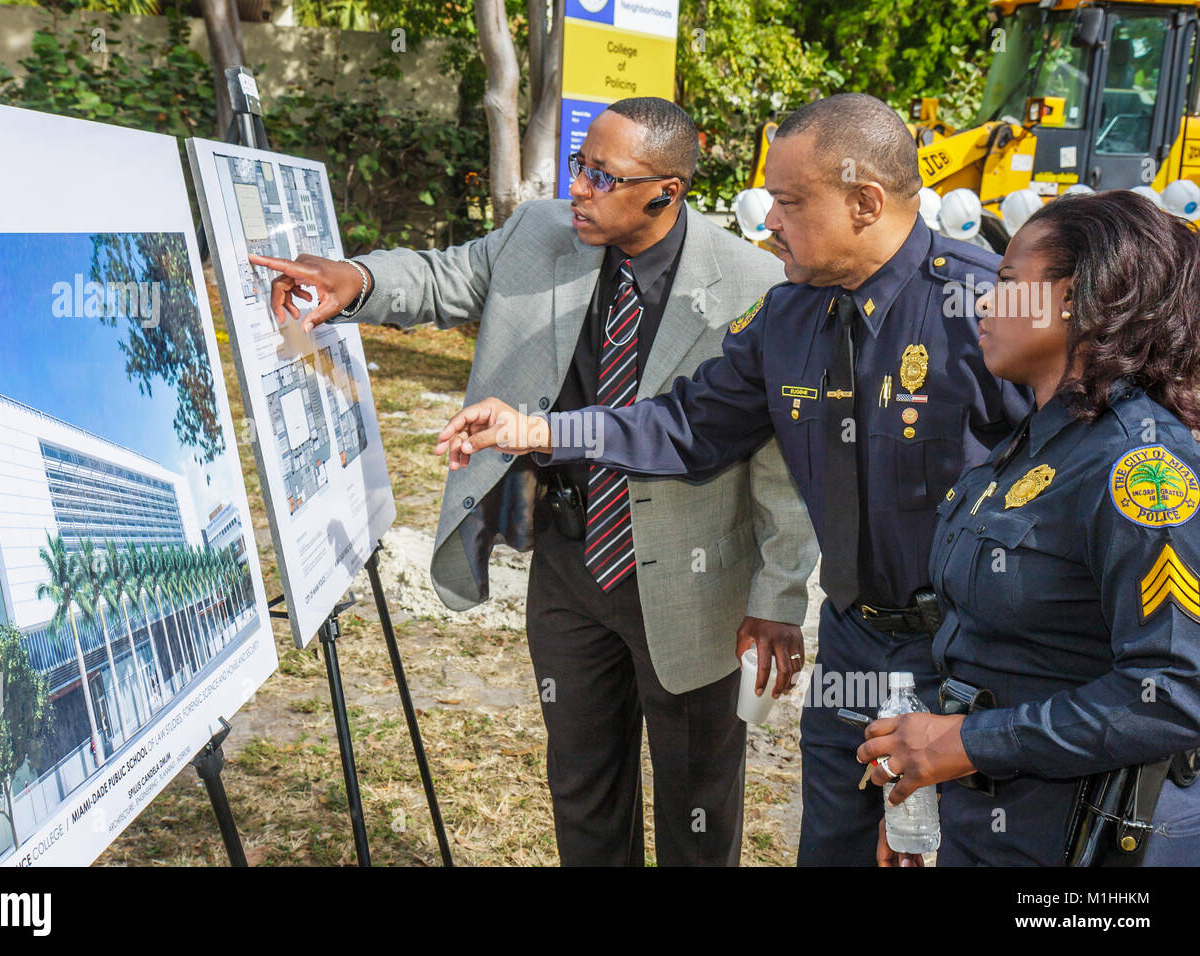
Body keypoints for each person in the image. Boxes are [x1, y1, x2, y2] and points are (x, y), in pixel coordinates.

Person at [435, 92, 1032, 866]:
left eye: (787, 201)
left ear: (863, 202)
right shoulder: (786, 319)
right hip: (854, 646)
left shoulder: (989, 306)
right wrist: (542, 430)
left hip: (972, 660)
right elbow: (685, 425)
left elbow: (1080, 474)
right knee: (835, 847)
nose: (768, 221)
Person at [250, 97, 818, 866]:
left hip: (695, 585)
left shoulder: (755, 284)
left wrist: (776, 599)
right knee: (582, 781)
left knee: (697, 799)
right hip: (571, 561)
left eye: (602, 176)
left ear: (666, 191)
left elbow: (784, 466)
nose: (578, 188)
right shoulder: (540, 234)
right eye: (579, 166)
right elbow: (445, 276)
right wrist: (354, 277)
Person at [856, 190, 1200, 865]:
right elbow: (977, 645)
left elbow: (1174, 693)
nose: (984, 303)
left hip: (1094, 838)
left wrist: (965, 745)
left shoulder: (1144, 468)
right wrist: (920, 785)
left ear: (1075, 298)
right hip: (990, 821)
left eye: (1009, 282)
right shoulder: (1037, 442)